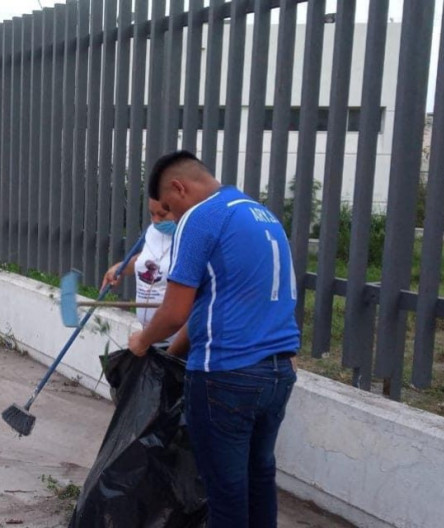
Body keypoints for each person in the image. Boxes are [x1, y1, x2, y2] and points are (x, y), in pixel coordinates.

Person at [128, 151, 299, 528]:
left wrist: (143, 341)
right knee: (259, 481)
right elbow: (211, 306)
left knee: (226, 495)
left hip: (226, 376)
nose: (172, 218)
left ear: (179, 187)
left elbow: (173, 313)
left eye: (170, 208)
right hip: (277, 373)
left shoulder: (201, 218)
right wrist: (171, 357)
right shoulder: (260, 214)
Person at [101, 199, 177, 345]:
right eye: (151, 214)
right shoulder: (153, 231)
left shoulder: (190, 238)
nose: (155, 221)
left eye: (162, 215)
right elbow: (146, 258)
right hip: (150, 337)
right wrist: (120, 268)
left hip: (176, 342)